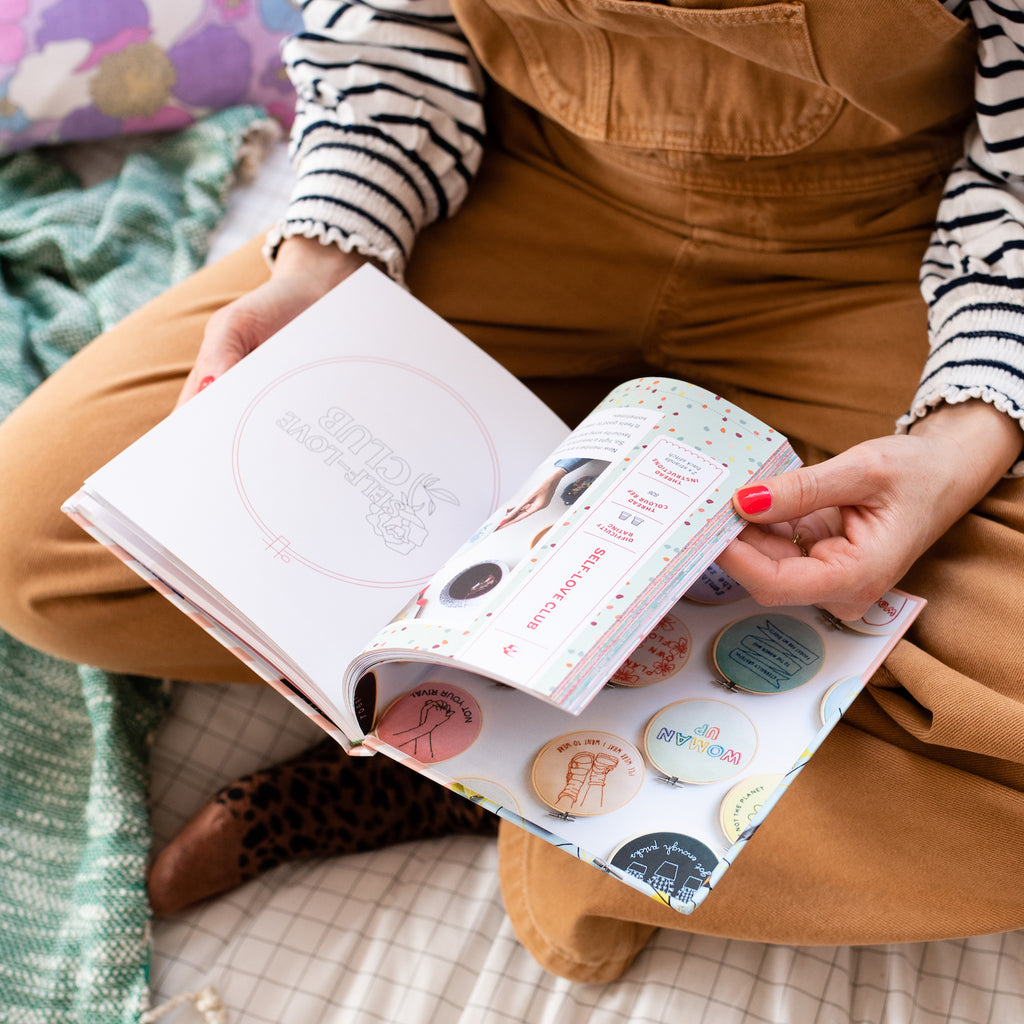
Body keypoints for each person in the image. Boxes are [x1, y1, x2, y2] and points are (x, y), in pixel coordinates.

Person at [1, 0, 1023, 984]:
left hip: (887, 250)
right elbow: (385, 21)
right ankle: (520, 738)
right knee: (43, 535)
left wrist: (960, 436)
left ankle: (509, 785)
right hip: (516, 184)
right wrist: (328, 260)